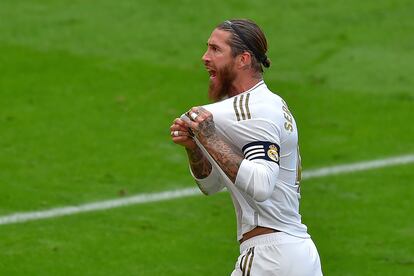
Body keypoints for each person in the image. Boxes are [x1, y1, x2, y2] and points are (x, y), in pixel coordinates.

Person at [170, 19, 323, 276]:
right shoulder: (253, 109)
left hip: (271, 258)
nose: (205, 57)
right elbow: (212, 185)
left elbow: (261, 184)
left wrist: (207, 134)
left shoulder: (254, 110)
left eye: (215, 50)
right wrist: (195, 147)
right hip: (292, 255)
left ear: (243, 59)